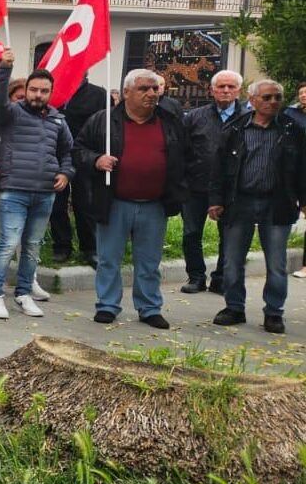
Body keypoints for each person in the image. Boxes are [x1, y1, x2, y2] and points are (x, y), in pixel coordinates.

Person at [73, 69, 188, 328]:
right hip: (114, 202)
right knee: (108, 259)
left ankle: (149, 308)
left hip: (154, 204)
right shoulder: (102, 121)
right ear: (126, 92)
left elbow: (185, 156)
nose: (151, 93)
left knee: (149, 262)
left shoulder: (170, 121)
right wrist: (96, 160)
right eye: (143, 89)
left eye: (154, 89)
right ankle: (107, 305)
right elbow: (78, 150)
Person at [210, 79, 306, 334]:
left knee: (276, 263)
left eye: (277, 97)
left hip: (277, 203)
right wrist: (215, 200)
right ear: (252, 100)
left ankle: (274, 312)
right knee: (232, 261)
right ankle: (234, 307)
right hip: (239, 202)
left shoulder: (292, 130)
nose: (273, 102)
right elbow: (219, 167)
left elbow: (302, 169)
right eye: (267, 97)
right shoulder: (236, 128)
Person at [0, 68, 74, 320]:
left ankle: (23, 294)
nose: (38, 95)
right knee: (8, 244)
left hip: (45, 193)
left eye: (44, 91)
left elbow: (68, 151)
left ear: (51, 93)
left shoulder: (58, 119)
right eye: (33, 89)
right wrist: (4, 70)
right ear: (26, 91)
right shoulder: (11, 113)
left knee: (32, 247)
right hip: (14, 191)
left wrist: (65, 173)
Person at [181, 70, 245, 293]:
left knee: (227, 236)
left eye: (231, 87)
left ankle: (221, 278)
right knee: (191, 233)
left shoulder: (247, 117)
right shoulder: (195, 117)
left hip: (231, 190)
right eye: (221, 86)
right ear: (211, 90)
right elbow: (182, 150)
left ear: (238, 90)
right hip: (195, 186)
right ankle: (196, 277)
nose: (226, 91)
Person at [51, 75, 108, 265]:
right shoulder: (54, 92)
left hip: (85, 156)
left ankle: (90, 248)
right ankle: (62, 245)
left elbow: (105, 124)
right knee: (57, 203)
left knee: (85, 203)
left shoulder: (98, 94)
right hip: (57, 156)